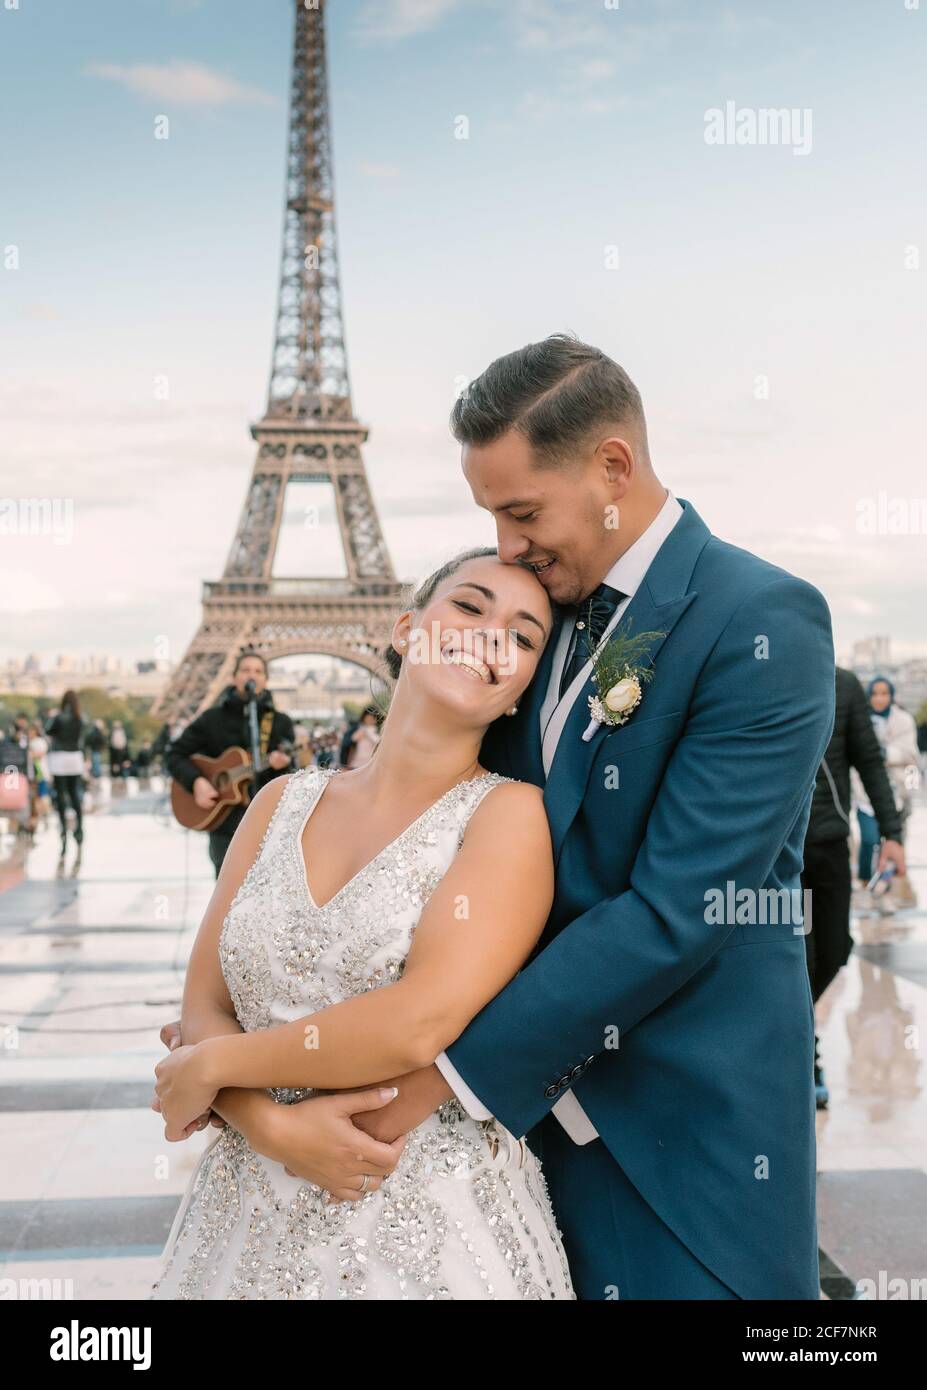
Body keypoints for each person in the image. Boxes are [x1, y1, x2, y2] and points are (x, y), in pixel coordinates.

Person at [276, 335, 834, 1300]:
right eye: (490, 516)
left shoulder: (760, 619)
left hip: (673, 1143)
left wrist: (430, 1087)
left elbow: (678, 909)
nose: (504, 545)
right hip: (495, 1155)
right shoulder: (527, 616)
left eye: (522, 511)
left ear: (611, 466)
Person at [149, 550, 574, 1300]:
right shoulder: (276, 802)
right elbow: (205, 1000)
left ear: (521, 690)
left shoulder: (510, 817)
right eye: (469, 606)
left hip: (422, 1227)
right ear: (407, 628)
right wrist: (270, 1127)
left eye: (522, 635)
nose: (489, 635)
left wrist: (212, 1071)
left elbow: (417, 1022)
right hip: (243, 1206)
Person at [802, 668, 905, 1108]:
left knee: (836, 948)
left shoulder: (842, 685)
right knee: (799, 956)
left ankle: (797, 1033)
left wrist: (892, 833)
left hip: (829, 841)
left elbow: (870, 762)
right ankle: (806, 1055)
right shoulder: (763, 672)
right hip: (777, 850)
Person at [165, 651, 295, 878]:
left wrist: (282, 765)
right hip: (224, 824)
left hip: (268, 822)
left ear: (266, 680)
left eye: (258, 671)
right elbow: (175, 753)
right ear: (234, 677)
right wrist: (196, 782)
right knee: (226, 889)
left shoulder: (280, 723)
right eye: (245, 670)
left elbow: (289, 778)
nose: (251, 675)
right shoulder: (212, 719)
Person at [853, 676, 919, 906]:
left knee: (891, 843)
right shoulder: (860, 719)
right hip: (864, 795)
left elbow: (911, 753)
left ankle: (884, 888)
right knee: (869, 840)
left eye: (884, 693)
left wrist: (886, 753)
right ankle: (865, 879)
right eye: (875, 693)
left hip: (896, 793)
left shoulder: (903, 720)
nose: (879, 699)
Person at [45, 690, 87, 867]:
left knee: (61, 794)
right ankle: (79, 829)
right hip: (75, 757)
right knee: (74, 794)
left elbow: (48, 731)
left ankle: (63, 829)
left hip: (59, 757)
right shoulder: (80, 717)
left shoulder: (58, 717)